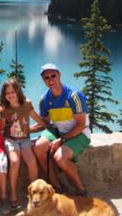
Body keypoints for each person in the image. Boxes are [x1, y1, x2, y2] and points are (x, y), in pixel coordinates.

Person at [33, 63, 91, 195]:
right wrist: (25, 131)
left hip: (80, 133)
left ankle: (81, 190)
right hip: (59, 131)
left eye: (53, 75)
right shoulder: (44, 100)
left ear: (59, 75)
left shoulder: (74, 96)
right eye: (46, 77)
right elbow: (45, 124)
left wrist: (61, 140)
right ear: (43, 80)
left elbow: (81, 125)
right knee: (38, 147)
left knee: (60, 158)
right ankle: (56, 186)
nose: (50, 80)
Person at [0, 77, 46, 210]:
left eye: (13, 91)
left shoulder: (27, 104)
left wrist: (48, 126)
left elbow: (37, 118)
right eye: (7, 93)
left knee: (32, 162)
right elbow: (2, 128)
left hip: (25, 140)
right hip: (11, 140)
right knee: (15, 162)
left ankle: (33, 195)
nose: (10, 95)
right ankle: (13, 195)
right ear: (4, 95)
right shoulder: (4, 109)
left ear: (18, 91)